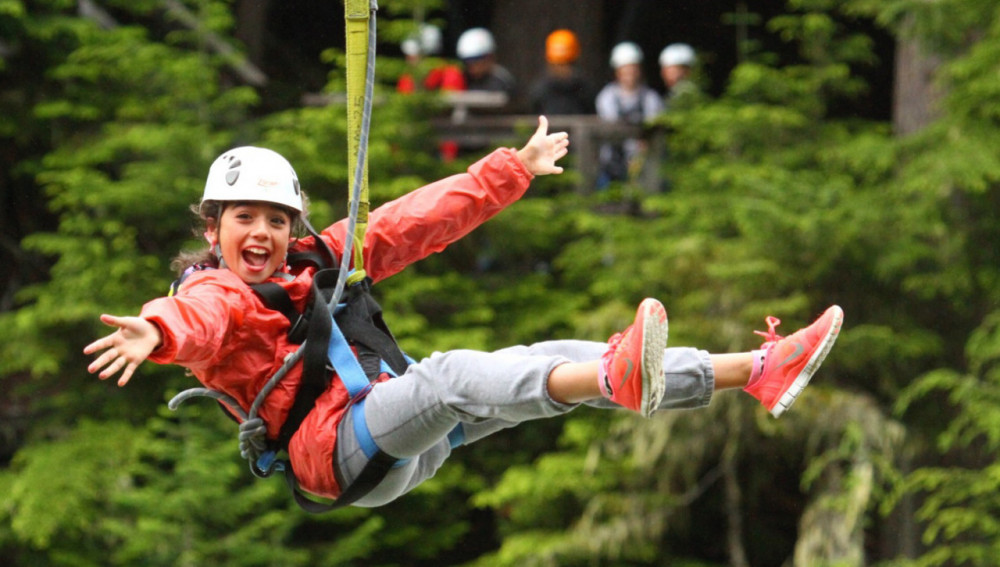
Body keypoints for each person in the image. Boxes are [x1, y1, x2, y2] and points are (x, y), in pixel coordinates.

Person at [84, 116, 844, 508]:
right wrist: (158, 331)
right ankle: (617, 378)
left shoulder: (320, 258)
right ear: (212, 229)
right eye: (243, 219)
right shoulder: (214, 292)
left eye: (276, 221)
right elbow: (198, 320)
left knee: (541, 356)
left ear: (293, 229)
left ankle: (754, 370)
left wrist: (510, 168)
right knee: (448, 375)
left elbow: (412, 220)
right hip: (336, 452)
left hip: (393, 434)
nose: (261, 234)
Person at [595, 42, 664, 187]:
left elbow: (653, 124)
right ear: (617, 72)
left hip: (643, 162)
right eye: (625, 69)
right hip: (612, 163)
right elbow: (611, 124)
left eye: (633, 69)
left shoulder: (650, 98)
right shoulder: (607, 97)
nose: (630, 74)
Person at [528, 29, 596, 116]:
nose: (562, 69)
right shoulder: (540, 89)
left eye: (566, 64)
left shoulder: (584, 88)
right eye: (557, 64)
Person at [396, 24, 465, 94]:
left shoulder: (451, 76)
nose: (408, 61)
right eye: (408, 56)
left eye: (413, 57)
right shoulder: (408, 79)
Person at [455, 27, 516, 99]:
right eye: (467, 62)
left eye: (476, 60)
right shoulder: (463, 78)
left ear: (490, 58)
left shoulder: (502, 81)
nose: (472, 67)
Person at [659, 42, 700, 107]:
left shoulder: (693, 98)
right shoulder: (671, 96)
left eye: (672, 71)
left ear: (687, 71)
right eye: (665, 71)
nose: (663, 75)